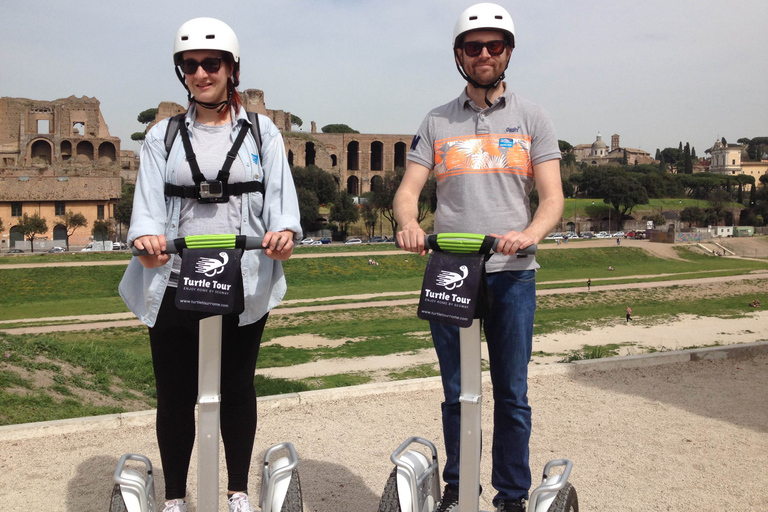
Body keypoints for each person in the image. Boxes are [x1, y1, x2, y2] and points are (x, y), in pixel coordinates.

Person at [118, 18, 301, 512]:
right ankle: (176, 497)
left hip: (242, 276)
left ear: (231, 69)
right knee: (174, 392)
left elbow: (281, 202)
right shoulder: (163, 136)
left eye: (211, 64)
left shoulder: (262, 132)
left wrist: (284, 233)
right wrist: (146, 238)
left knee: (237, 386)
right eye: (191, 64)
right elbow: (147, 208)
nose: (201, 73)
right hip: (176, 278)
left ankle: (237, 490)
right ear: (182, 71)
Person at [393, 4, 563, 511]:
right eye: (473, 47)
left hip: (512, 273)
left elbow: (553, 198)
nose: (484, 54)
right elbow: (409, 191)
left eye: (494, 46)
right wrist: (408, 224)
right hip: (451, 268)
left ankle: (511, 496)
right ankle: (459, 486)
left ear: (508, 52)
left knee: (511, 392)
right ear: (459, 56)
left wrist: (528, 233)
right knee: (456, 391)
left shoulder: (533, 117)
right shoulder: (437, 120)